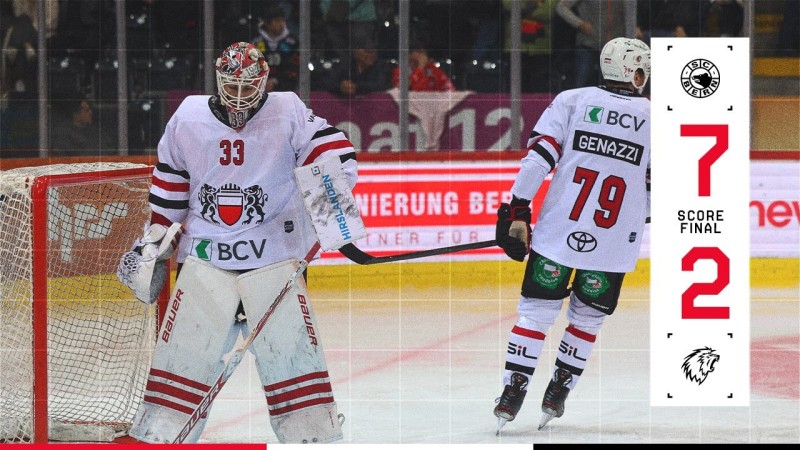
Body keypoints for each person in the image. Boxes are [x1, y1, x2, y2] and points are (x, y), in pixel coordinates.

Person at [116, 41, 357, 444]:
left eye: (249, 86)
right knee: (179, 375)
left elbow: (333, 151)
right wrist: (155, 239)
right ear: (217, 80)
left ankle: (312, 438)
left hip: (276, 262)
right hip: (205, 261)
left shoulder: (287, 110)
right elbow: (172, 183)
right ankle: (160, 438)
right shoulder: (188, 117)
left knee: (296, 374)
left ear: (264, 81)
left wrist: (332, 203)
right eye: (232, 85)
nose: (240, 95)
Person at [493, 37, 650, 433]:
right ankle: (558, 391)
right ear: (635, 73)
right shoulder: (657, 117)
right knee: (588, 319)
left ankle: (513, 391)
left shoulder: (573, 100)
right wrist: (637, 217)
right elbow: (655, 187)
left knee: (535, 313)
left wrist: (518, 211)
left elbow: (537, 160)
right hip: (612, 244)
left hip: (559, 232)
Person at [555, 0, 630, 89]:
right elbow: (561, 7)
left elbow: (630, 13)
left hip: (615, 46)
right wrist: (579, 23)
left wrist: (632, 32)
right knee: (582, 84)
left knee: (614, 87)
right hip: (588, 43)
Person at [252, 6, 299, 93]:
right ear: (267, 23)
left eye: (282, 21)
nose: (281, 24)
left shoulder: (292, 42)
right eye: (277, 21)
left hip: (286, 90)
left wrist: (276, 81)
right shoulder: (255, 42)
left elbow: (294, 67)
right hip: (259, 90)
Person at [325, 40, 392, 97]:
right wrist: (341, 86)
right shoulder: (345, 65)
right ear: (356, 52)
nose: (372, 55)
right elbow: (328, 82)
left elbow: (382, 85)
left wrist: (356, 87)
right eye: (368, 51)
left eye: (374, 52)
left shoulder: (382, 67)